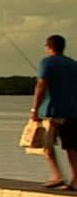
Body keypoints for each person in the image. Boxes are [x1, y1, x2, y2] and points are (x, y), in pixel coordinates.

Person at [31, 34, 77, 189]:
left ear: (49, 47)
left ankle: (57, 175)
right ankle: (75, 179)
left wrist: (34, 109)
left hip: (52, 111)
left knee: (46, 143)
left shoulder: (47, 62)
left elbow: (41, 85)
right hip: (72, 111)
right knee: (72, 147)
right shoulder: (73, 64)